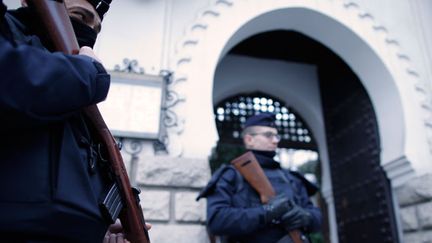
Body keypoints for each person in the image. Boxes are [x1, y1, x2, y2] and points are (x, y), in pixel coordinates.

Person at [0, 0, 131, 242]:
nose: (88, 32)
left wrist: (97, 233)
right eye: (79, 17)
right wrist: (89, 74)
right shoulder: (10, 33)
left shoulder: (73, 99)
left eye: (95, 27)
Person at [197, 113, 322, 243]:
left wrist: (305, 217)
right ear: (249, 139)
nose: (275, 140)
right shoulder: (232, 175)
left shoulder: (291, 178)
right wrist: (266, 213)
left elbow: (317, 216)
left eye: (276, 136)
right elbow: (217, 220)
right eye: (268, 135)